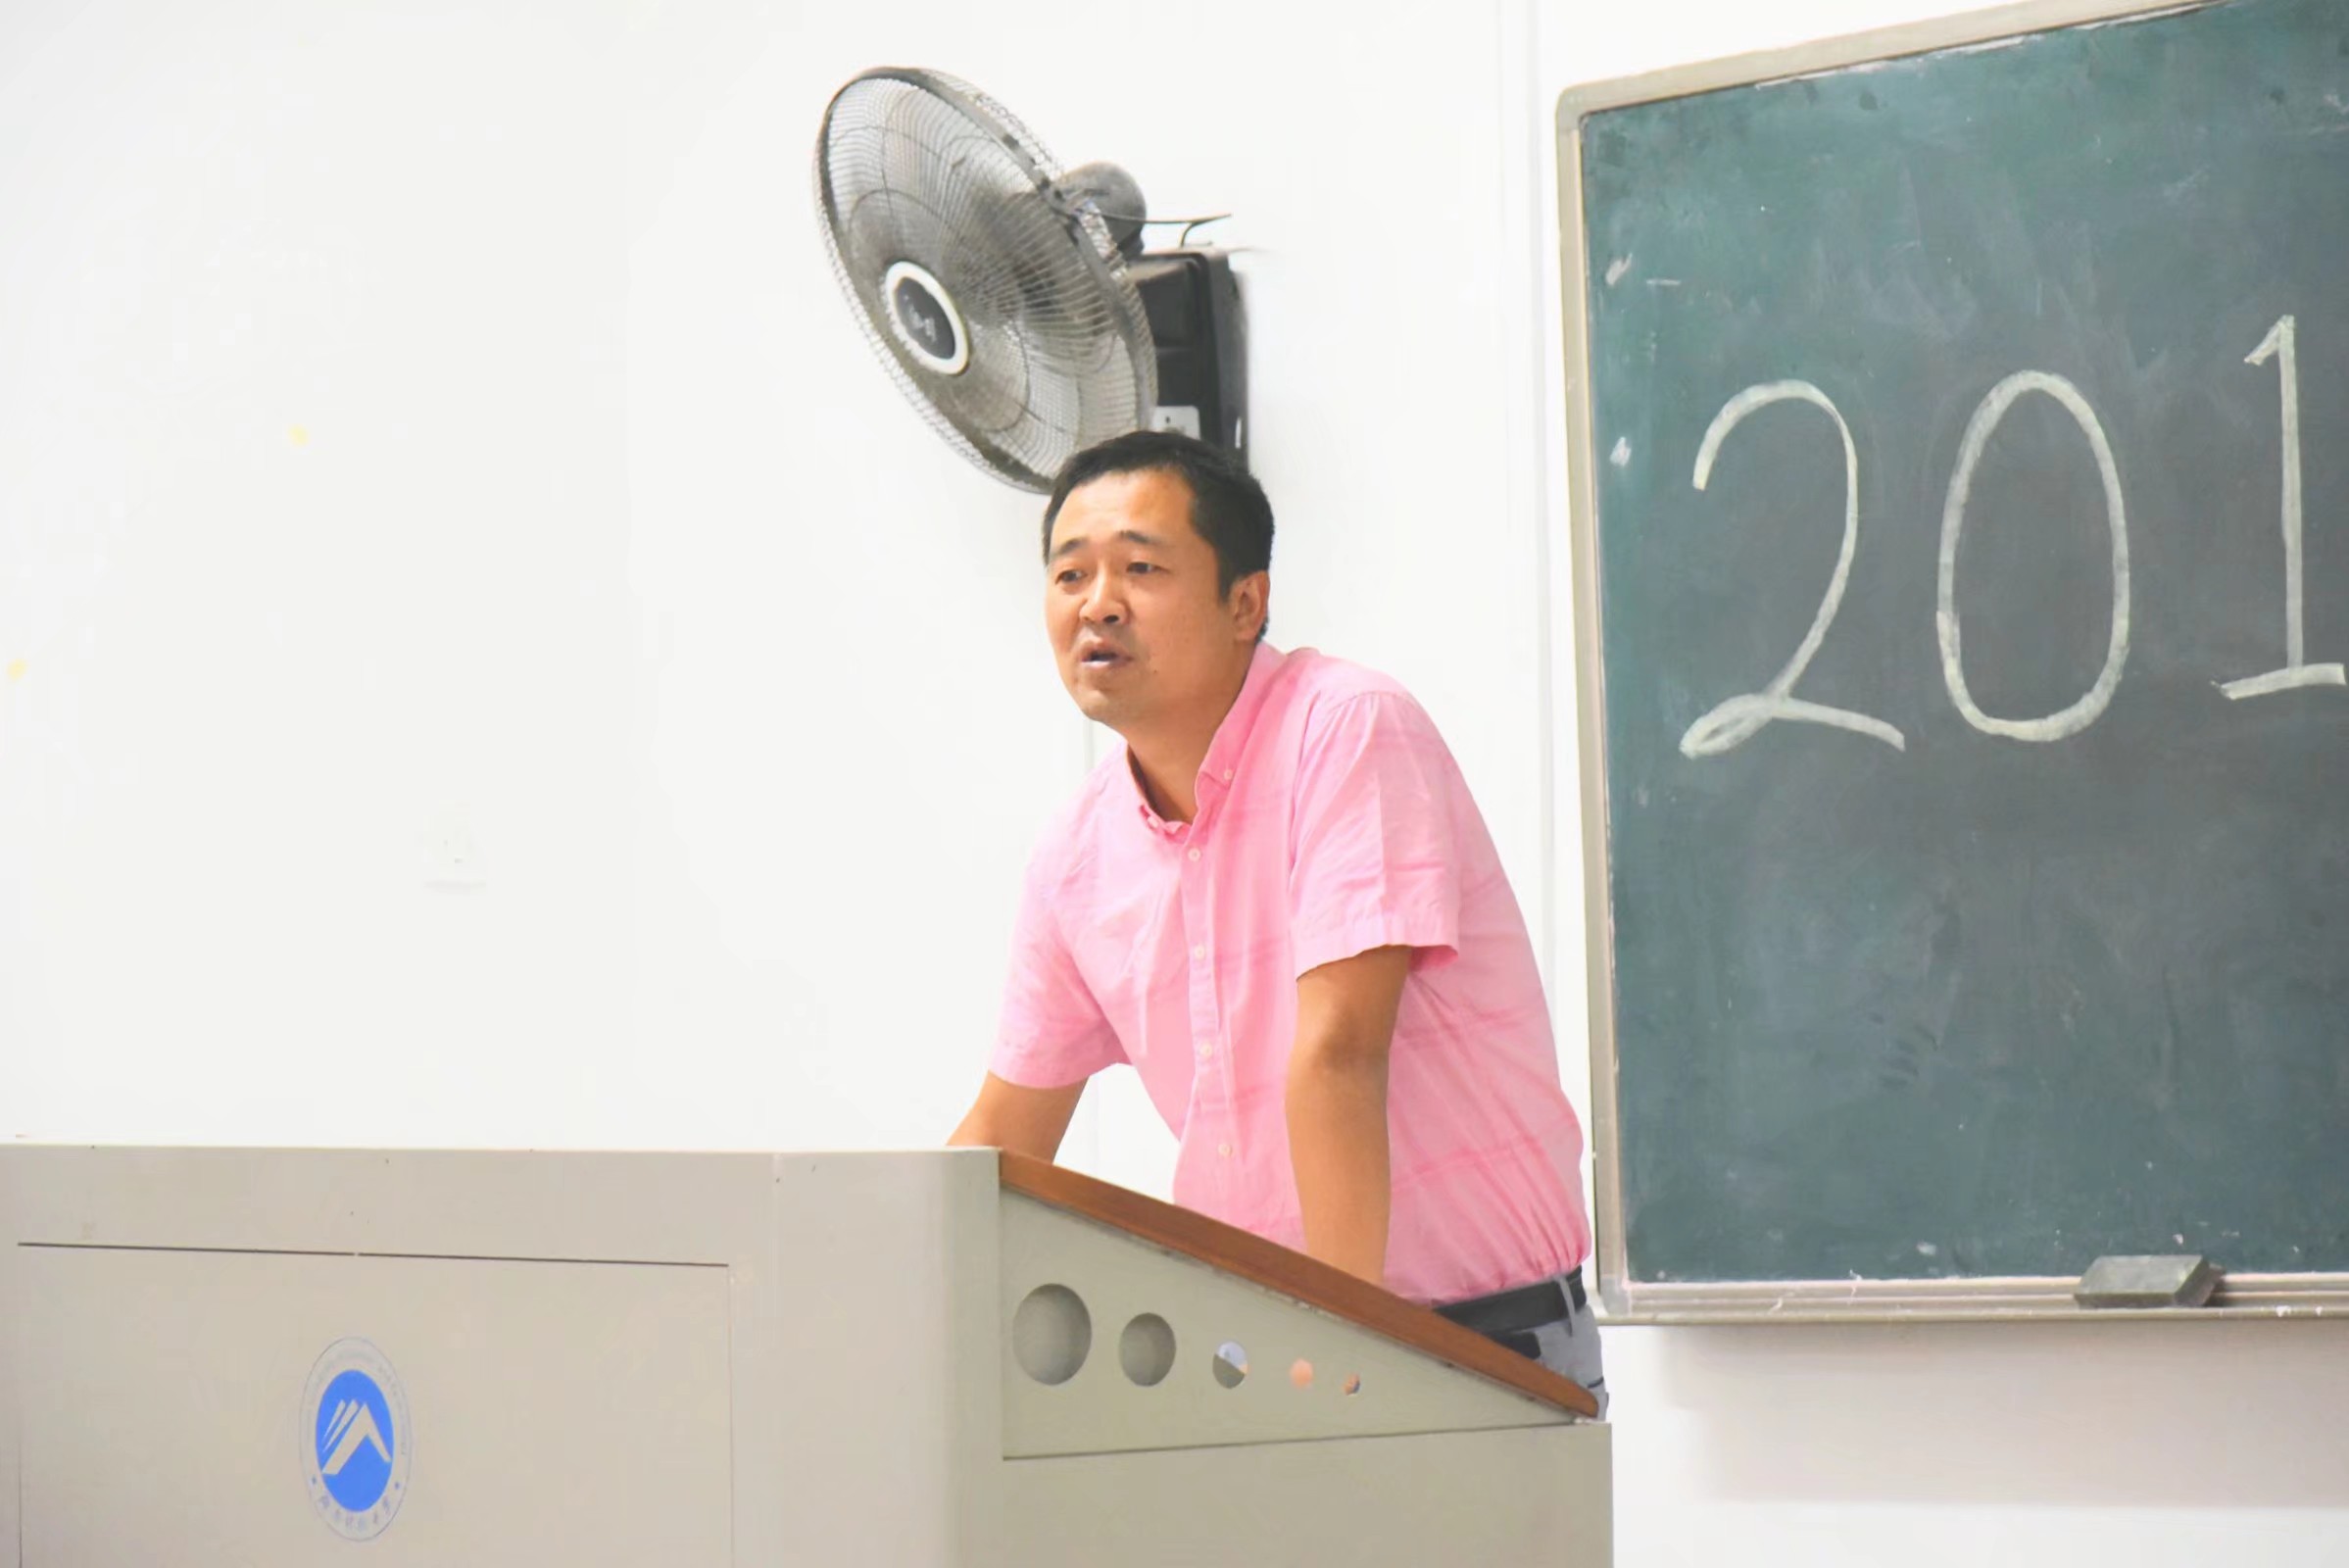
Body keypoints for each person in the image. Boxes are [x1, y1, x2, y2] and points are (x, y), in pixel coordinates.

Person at [949, 429, 1604, 1413]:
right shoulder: (1076, 854)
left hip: (1467, 1342)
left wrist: (1335, 1358)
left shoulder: (1345, 726)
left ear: (1245, 602)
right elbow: (1006, 1135)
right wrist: (871, 1291)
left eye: (1140, 568)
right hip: (1250, 1349)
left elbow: (1339, 1050)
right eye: (1070, 573)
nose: (1098, 604)